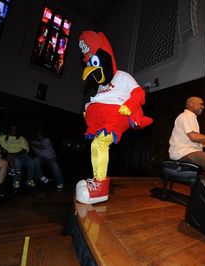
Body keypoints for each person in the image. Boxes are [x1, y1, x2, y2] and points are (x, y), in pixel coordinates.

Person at [75, 31, 153, 204]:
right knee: (96, 145)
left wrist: (129, 106)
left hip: (119, 115)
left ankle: (101, 186)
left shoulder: (122, 76)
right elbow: (100, 101)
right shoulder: (100, 88)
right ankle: (97, 180)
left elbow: (139, 93)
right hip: (105, 119)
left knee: (99, 143)